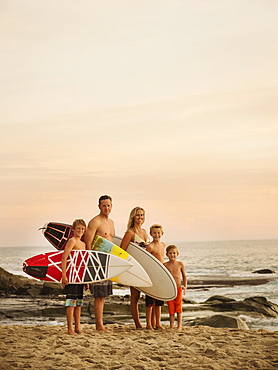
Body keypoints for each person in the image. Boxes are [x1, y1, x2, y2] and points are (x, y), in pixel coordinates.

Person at [84, 195, 115, 331]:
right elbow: (88, 243)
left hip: (108, 261)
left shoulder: (111, 222)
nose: (106, 208)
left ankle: (100, 324)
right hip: (97, 261)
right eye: (104, 205)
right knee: (99, 294)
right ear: (99, 206)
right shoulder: (94, 222)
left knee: (104, 294)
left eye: (108, 205)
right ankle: (99, 325)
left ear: (111, 206)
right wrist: (91, 264)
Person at [120, 206, 149, 329]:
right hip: (135, 268)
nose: (140, 217)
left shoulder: (145, 232)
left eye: (142, 215)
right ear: (133, 217)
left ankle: (151, 323)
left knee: (148, 295)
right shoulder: (130, 233)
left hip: (145, 266)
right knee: (135, 297)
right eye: (138, 215)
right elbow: (122, 251)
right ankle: (138, 324)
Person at [62, 219, 87, 335]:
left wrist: (86, 280)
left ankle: (78, 327)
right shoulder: (72, 241)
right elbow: (64, 257)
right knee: (71, 302)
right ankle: (70, 329)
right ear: (73, 229)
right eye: (78, 228)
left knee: (78, 303)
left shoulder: (83, 244)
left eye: (82, 229)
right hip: (71, 276)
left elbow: (84, 263)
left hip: (80, 277)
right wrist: (64, 275)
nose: (80, 231)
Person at [145, 224, 166, 330]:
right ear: (151, 234)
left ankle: (158, 323)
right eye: (154, 233)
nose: (156, 235)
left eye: (158, 233)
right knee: (150, 302)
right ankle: (149, 324)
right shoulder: (150, 246)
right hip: (152, 275)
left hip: (161, 275)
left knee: (159, 301)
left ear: (162, 233)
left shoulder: (163, 245)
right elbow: (146, 261)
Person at [164, 245, 187, 330]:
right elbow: (163, 278)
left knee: (179, 307)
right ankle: (171, 325)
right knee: (171, 307)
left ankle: (179, 325)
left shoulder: (180, 264)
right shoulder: (165, 265)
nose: (172, 255)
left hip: (178, 288)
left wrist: (185, 287)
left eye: (174, 253)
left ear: (177, 254)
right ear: (167, 254)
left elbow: (184, 276)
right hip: (170, 289)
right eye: (170, 253)